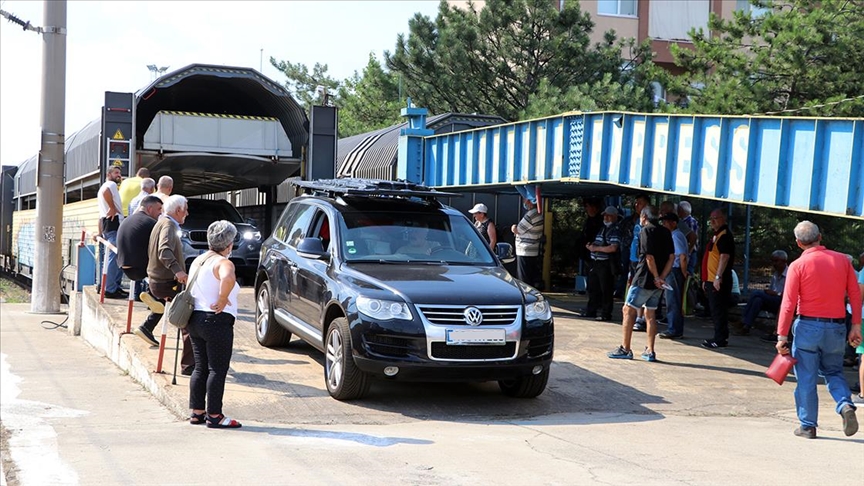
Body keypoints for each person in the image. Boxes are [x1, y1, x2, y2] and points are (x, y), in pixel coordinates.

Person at [774, 221, 861, 439]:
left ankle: (808, 425)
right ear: (820, 236)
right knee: (833, 371)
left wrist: (782, 336)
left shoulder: (797, 265)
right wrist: (856, 326)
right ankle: (845, 405)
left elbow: (788, 303)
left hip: (807, 327)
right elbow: (855, 294)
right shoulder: (843, 260)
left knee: (806, 377)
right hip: (836, 326)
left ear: (798, 243)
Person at [187, 220, 242, 429]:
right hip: (216, 320)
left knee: (200, 367)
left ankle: (197, 412)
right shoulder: (224, 262)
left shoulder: (198, 260)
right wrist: (222, 298)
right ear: (229, 243)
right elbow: (227, 278)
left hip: (195, 319)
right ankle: (215, 415)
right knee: (217, 369)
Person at [607, 205, 674, 362]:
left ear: (644, 217)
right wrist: (662, 278)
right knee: (650, 314)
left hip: (644, 278)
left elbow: (648, 257)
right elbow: (672, 257)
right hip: (659, 283)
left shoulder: (645, 231)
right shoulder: (666, 231)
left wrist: (656, 276)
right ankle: (650, 350)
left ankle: (625, 348)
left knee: (628, 310)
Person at [147, 195, 195, 375]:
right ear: (178, 211)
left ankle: (190, 364)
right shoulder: (167, 225)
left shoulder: (161, 223)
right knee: (189, 319)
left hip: (159, 280)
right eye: (186, 209)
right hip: (165, 282)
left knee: (186, 319)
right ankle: (189, 366)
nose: (187, 213)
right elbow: (164, 251)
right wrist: (178, 271)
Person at [117, 196, 165, 346]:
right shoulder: (151, 223)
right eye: (158, 210)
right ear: (149, 208)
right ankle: (148, 324)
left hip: (125, 267)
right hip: (140, 268)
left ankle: (152, 297)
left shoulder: (127, 220)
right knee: (170, 288)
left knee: (163, 292)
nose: (160, 213)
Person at [701, 208, 735, 349]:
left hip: (718, 280)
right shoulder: (717, 235)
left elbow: (724, 256)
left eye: (716, 218)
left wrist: (717, 276)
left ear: (723, 219)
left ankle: (720, 339)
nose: (713, 221)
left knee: (718, 310)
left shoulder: (725, 235)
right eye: (711, 218)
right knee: (715, 309)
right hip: (710, 279)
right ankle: (719, 336)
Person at [732, 250, 788, 336]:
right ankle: (746, 327)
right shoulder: (775, 275)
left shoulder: (790, 274)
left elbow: (788, 294)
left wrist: (776, 293)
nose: (774, 264)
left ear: (784, 261)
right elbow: (771, 289)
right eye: (772, 261)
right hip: (772, 300)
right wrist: (770, 293)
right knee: (757, 300)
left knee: (756, 293)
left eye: (776, 261)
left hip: (782, 302)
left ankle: (743, 320)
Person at [579, 206, 620, 322]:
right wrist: (590, 247)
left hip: (605, 264)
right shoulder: (602, 228)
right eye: (605, 215)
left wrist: (596, 248)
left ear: (615, 217)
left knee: (606, 289)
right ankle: (591, 311)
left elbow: (613, 247)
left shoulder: (615, 230)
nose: (606, 217)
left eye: (609, 215)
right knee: (593, 288)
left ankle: (606, 313)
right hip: (595, 262)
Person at [96, 166, 126, 299]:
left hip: (107, 222)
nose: (119, 175)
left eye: (119, 173)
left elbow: (100, 214)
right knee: (114, 257)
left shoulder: (104, 186)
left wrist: (99, 231)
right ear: (109, 174)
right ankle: (110, 289)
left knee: (110, 256)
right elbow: (106, 192)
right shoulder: (110, 185)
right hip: (113, 222)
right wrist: (113, 208)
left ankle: (107, 286)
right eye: (116, 173)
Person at [658, 212, 688, 339]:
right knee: (672, 300)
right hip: (673, 270)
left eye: (666, 222)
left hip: (675, 270)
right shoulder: (673, 235)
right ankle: (674, 327)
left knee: (673, 300)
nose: (663, 224)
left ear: (674, 223)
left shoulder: (676, 236)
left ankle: (674, 329)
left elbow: (682, 256)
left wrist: (683, 271)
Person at [624, 194, 651, 332]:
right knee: (633, 285)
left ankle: (641, 318)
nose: (636, 205)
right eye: (636, 203)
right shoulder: (636, 222)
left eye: (640, 203)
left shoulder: (648, 226)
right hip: (633, 259)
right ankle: (635, 314)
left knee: (641, 288)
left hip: (642, 261)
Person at [511, 197, 544, 289]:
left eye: (525, 200)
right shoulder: (538, 214)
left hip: (525, 250)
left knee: (524, 279)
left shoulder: (530, 215)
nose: (524, 202)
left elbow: (518, 230)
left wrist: (513, 227)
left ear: (529, 201)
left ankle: (526, 296)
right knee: (530, 276)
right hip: (533, 249)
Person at [677, 200, 699, 275]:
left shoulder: (690, 221)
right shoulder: (681, 221)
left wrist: (688, 252)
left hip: (690, 252)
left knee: (688, 273)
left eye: (679, 209)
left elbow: (692, 238)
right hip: (686, 252)